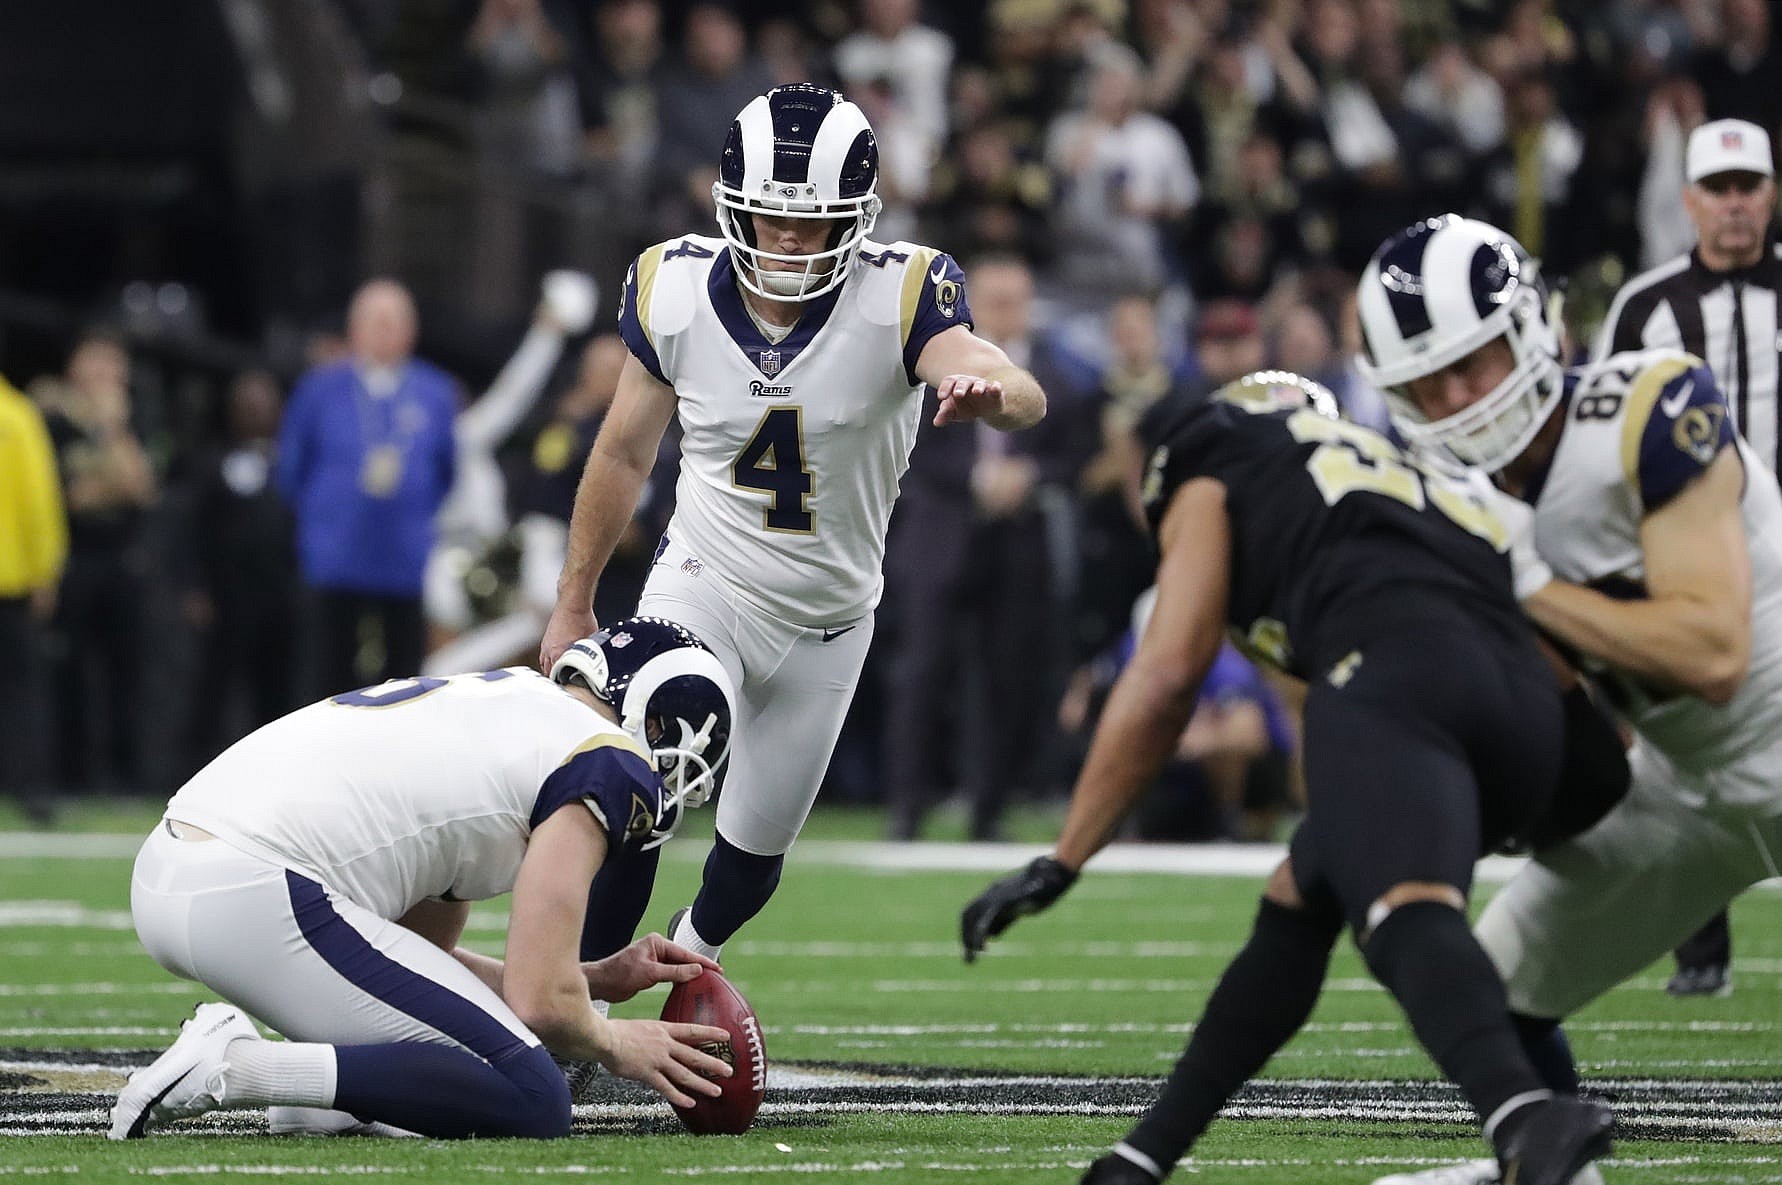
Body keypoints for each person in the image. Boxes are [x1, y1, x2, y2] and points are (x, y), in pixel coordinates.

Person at [961, 371, 1617, 1185]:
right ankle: (1139, 1160)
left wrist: (1066, 855)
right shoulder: (1397, 466)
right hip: (1529, 697)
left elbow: (1168, 673)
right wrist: (1589, 761)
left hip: (1398, 676)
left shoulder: (1214, 451)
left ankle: (1526, 1117)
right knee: (1301, 893)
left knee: (1404, 914)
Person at [539, 83, 1047, 964]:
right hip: (705, 584)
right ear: (733, 204)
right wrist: (573, 598)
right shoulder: (675, 286)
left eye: (811, 222)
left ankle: (684, 960)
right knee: (634, 773)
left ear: (857, 217)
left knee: (749, 866)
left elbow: (1011, 382)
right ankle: (572, 994)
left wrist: (995, 394)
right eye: (770, 214)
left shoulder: (901, 293)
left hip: (829, 621)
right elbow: (621, 452)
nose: (786, 238)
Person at [1352, 213, 1782, 1185]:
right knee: (1478, 989)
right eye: (1428, 381)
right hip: (1684, 785)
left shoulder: (1646, 405)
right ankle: (1558, 1172)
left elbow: (1715, 652)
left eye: (1473, 363)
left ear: (1531, 328)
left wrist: (1528, 583)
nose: (1457, 399)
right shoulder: (1450, 490)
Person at [110, 617, 737, 1141]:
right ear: (659, 723)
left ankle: (326, 1096)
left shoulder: (505, 707)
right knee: (533, 1097)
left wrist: (593, 979)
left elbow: (419, 957)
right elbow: (541, 1004)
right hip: (254, 885)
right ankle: (239, 1066)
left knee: (456, 1053)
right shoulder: (605, 761)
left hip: (185, 866)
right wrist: (616, 1041)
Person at [1591, 117, 1781, 997]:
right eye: (1720, 190)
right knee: (1684, 742)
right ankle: (1699, 946)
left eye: (1748, 188)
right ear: (1690, 200)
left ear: (1770, 195)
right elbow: (1602, 433)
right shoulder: (1646, 306)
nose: (1735, 205)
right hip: (1686, 551)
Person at [33, 331, 158, 794]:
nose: (106, 372)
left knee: (127, 670)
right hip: (74, 559)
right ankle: (70, 775)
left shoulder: (134, 418)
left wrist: (111, 431)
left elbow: (141, 488)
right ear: (75, 365)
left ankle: (125, 777)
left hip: (123, 560)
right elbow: (65, 496)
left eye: (114, 362)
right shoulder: (52, 419)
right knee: (69, 668)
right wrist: (106, 485)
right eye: (96, 360)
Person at [0, 370, 67, 819]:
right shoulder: (17, 415)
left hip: (13, 580)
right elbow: (39, 499)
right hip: (13, 580)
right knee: (21, 692)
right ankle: (32, 791)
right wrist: (45, 571)